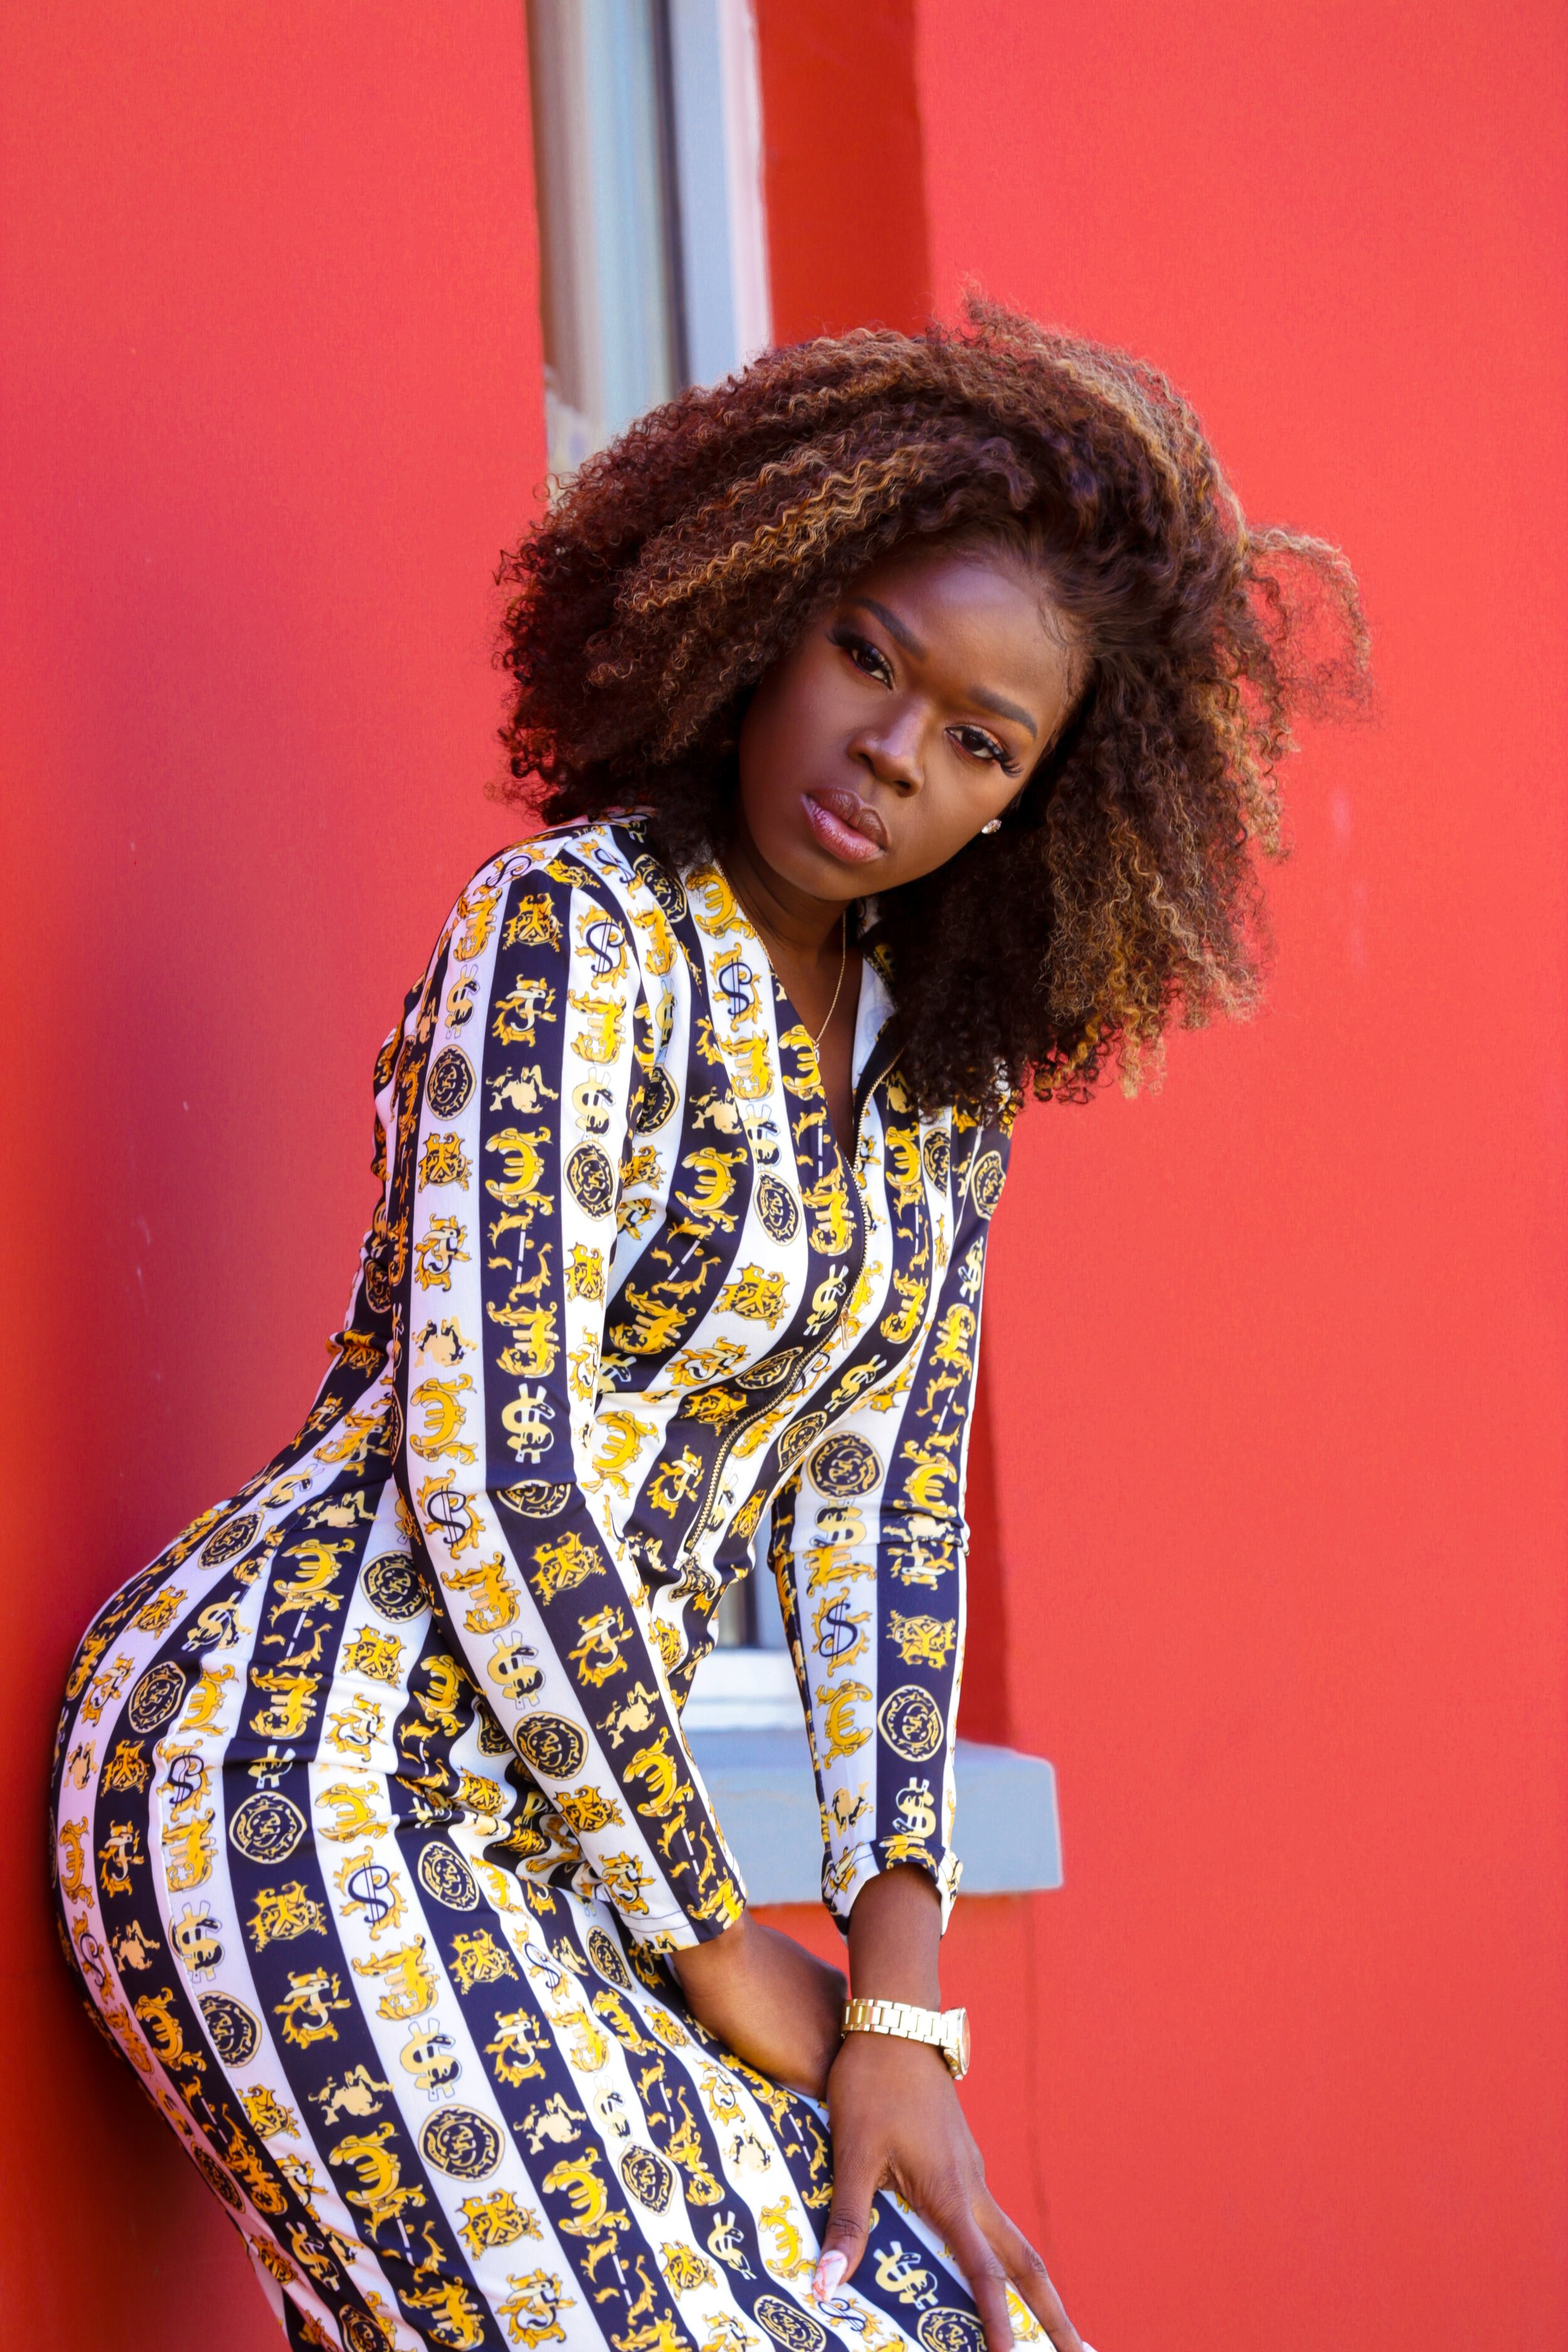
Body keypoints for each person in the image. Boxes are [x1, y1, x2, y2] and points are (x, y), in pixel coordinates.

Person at [50, 303, 1365, 2352]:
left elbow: (883, 1519)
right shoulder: (573, 936)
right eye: (868, 656)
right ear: (762, 613)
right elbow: (502, 1466)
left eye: (979, 741)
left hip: (589, 1852)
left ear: (1030, 803)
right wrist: (716, 1938)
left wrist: (897, 2009)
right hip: (315, 1767)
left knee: (950, 2326)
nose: (892, 752)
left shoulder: (935, 1096)